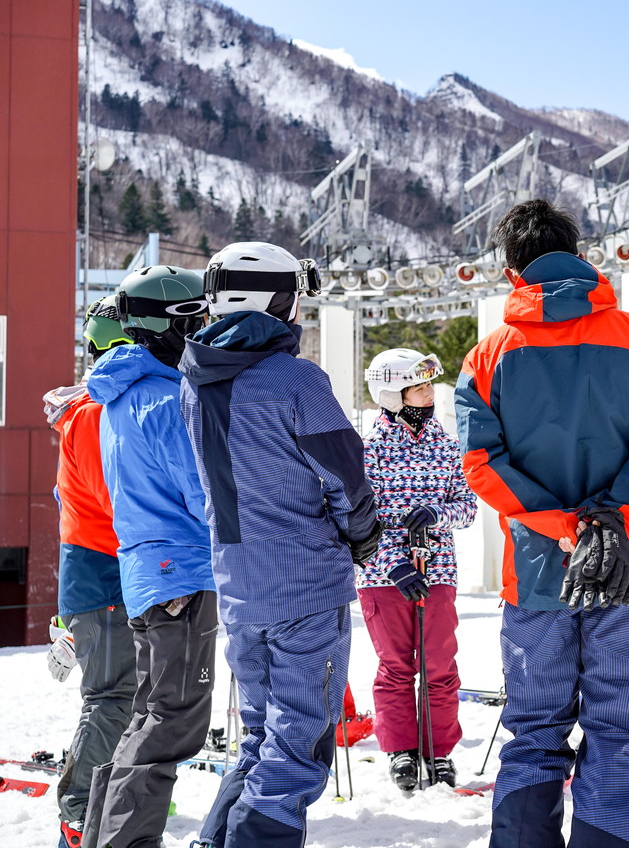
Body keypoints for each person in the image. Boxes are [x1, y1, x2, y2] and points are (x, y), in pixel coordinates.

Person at [454, 199, 629, 848]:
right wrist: (615, 517)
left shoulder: (489, 355)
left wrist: (563, 527)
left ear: (512, 274)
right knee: (621, 726)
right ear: (580, 256)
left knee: (534, 727)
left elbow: (481, 461)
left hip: (536, 571)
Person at [179, 241, 381, 848]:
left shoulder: (194, 378)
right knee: (298, 743)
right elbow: (345, 473)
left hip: (239, 583)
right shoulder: (296, 379)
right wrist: (363, 533)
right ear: (279, 299)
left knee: (262, 737)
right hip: (305, 586)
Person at [81, 267, 218, 848]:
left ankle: (102, 836)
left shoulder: (122, 393)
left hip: (147, 573)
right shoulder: (166, 400)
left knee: (149, 715)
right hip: (180, 572)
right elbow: (204, 494)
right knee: (172, 722)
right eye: (196, 320)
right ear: (171, 324)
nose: (204, 332)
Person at [360, 348, 477, 790]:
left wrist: (437, 513)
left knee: (440, 664)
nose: (429, 394)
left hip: (438, 569)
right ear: (392, 394)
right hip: (382, 575)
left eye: (430, 385)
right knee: (395, 666)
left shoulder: (447, 445)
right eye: (419, 386)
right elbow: (359, 522)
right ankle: (401, 750)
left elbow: (467, 506)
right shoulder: (368, 450)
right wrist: (394, 565)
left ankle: (439, 749)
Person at [42, 296, 136, 848]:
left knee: (122, 697)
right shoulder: (99, 413)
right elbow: (118, 502)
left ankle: (100, 806)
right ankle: (79, 814)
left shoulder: (95, 409)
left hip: (99, 577)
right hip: (105, 577)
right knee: (113, 698)